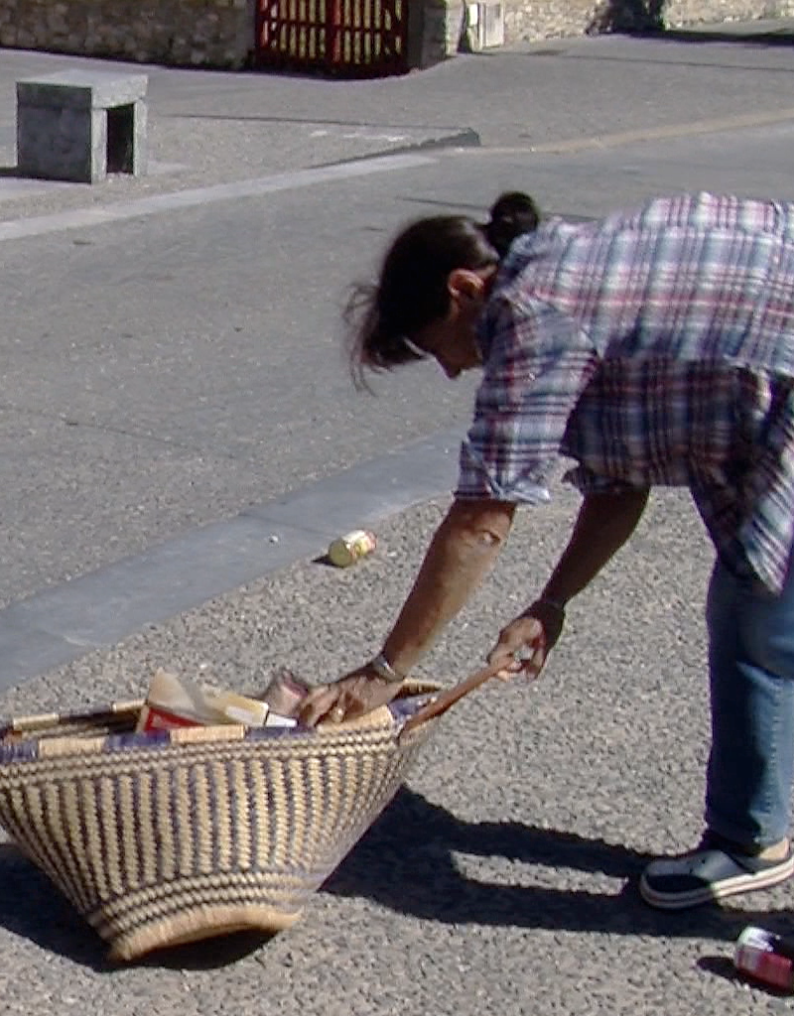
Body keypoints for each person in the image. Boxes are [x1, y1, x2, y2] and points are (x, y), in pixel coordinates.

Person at [295, 189, 794, 911]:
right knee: (754, 608)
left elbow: (480, 520)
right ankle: (753, 833)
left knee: (759, 620)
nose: (449, 370)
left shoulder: (532, 313)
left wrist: (384, 671)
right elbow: (619, 485)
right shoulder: (563, 268)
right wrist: (551, 603)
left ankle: (749, 842)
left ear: (463, 290)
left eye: (436, 346)